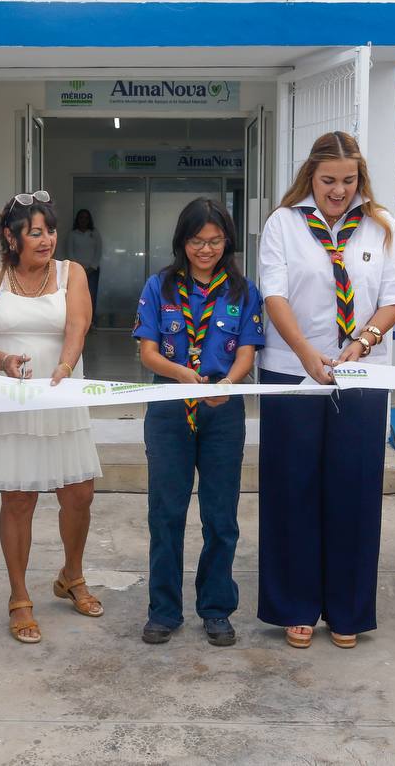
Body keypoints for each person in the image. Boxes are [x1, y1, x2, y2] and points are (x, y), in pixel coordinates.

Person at [256, 131, 395, 649]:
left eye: (348, 181)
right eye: (328, 180)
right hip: (290, 368)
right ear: (311, 176)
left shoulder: (382, 226)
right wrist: (306, 352)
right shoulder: (284, 224)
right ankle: (295, 605)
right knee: (293, 488)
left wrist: (366, 340)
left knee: (353, 488)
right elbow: (274, 294)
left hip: (360, 373)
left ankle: (347, 610)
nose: (338, 191)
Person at [0, 190, 103, 644]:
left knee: (79, 493)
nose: (46, 241)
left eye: (50, 231)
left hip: (62, 397)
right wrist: (1, 359)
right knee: (18, 500)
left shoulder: (71, 273)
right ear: (12, 236)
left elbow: (78, 326)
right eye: (35, 233)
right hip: (11, 402)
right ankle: (19, 596)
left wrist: (64, 366)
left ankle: (71, 576)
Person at [132, 198, 265, 647]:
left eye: (214, 240)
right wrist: (184, 377)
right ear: (182, 242)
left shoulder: (243, 292)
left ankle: (216, 608)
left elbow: (246, 350)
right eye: (196, 241)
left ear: (227, 240)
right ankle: (164, 610)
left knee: (220, 515)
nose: (205, 249)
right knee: (166, 514)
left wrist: (227, 381)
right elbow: (148, 352)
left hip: (222, 410)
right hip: (170, 407)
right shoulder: (160, 287)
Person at [68, 208, 102, 324]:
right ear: (78, 219)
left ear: (89, 220)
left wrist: (91, 268)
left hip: (92, 271)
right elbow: (70, 252)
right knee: (76, 297)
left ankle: (91, 323)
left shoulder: (94, 233)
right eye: (81, 217)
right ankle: (78, 322)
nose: (84, 220)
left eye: (86, 218)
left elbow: (98, 251)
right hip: (76, 271)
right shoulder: (72, 234)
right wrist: (79, 269)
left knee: (91, 297)